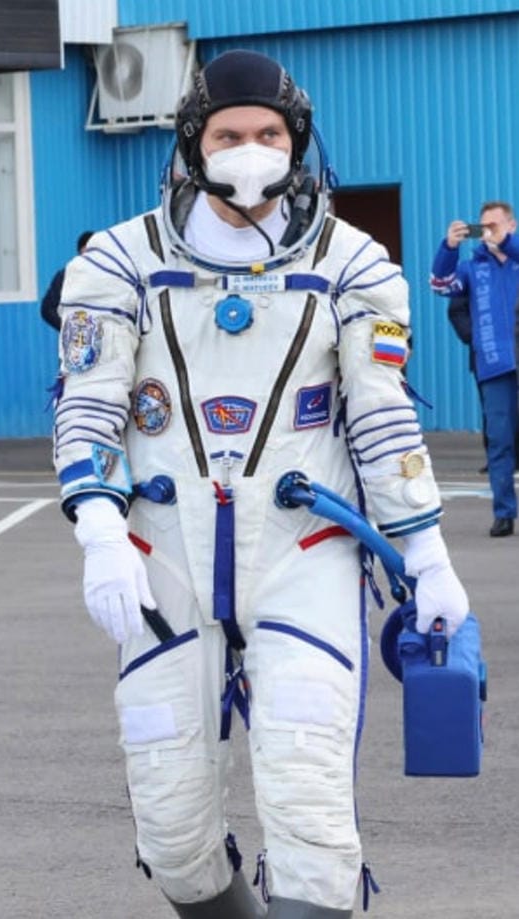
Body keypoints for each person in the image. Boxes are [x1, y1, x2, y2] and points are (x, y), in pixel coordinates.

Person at [54, 51, 470, 918]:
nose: (250, 152)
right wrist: (98, 534)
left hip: (301, 554)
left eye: (268, 134)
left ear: (297, 143)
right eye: (230, 134)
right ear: (191, 144)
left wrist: (427, 555)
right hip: (161, 556)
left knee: (309, 807)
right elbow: (88, 411)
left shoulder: (355, 263)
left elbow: (382, 417)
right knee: (170, 833)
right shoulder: (117, 262)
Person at [430, 203, 519, 537]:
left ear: (511, 224)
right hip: (494, 363)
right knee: (499, 442)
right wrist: (448, 248)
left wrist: (507, 243)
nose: (489, 231)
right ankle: (504, 513)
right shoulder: (472, 267)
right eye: (483, 226)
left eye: (495, 225)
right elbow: (440, 285)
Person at [40, 230, 95, 330]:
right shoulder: (67, 275)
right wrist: (70, 330)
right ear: (83, 250)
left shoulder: (109, 276)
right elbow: (47, 309)